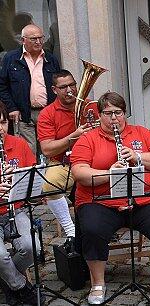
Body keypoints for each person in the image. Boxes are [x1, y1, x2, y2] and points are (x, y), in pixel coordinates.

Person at [70, 92, 150, 305]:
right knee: (92, 229)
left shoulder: (141, 133)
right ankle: (98, 282)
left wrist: (137, 157)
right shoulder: (88, 139)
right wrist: (109, 173)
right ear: (100, 116)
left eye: (118, 112)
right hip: (101, 201)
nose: (113, 118)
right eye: (108, 113)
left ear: (125, 113)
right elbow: (79, 172)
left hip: (142, 199)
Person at [37, 69, 97, 252]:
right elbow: (47, 149)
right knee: (49, 185)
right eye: (64, 87)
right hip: (63, 162)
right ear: (54, 89)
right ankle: (70, 228)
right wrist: (74, 136)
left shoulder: (91, 106)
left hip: (93, 161)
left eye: (72, 85)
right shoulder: (47, 113)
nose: (70, 90)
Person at [0, 101, 43, 305]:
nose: (0, 129)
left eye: (2, 123)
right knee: (0, 256)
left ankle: (7, 279)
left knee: (32, 246)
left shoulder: (17, 144)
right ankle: (20, 286)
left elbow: (33, 176)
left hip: (14, 210)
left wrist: (19, 180)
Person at [0, 24, 61, 153]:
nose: (38, 42)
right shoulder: (11, 58)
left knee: (49, 151)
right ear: (23, 40)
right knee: (28, 152)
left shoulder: (50, 58)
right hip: (23, 114)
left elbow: (58, 85)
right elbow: (2, 86)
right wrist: (12, 108)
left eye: (41, 38)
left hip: (48, 113)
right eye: (34, 39)